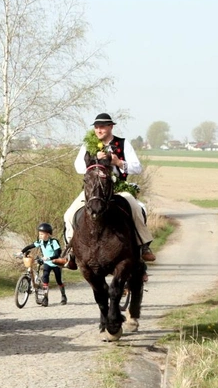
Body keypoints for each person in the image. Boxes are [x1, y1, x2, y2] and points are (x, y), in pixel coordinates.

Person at [57, 113, 156, 270]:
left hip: (118, 188)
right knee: (69, 214)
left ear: (111, 127)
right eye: (96, 127)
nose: (99, 130)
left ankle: (143, 246)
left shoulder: (123, 144)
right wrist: (95, 159)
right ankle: (71, 254)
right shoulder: (88, 145)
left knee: (136, 208)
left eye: (102, 126)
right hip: (95, 189)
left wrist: (119, 162)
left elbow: (137, 167)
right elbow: (78, 167)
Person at [21, 222, 67, 306]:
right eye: (39, 234)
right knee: (45, 279)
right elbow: (30, 246)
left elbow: (57, 254)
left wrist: (49, 258)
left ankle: (63, 296)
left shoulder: (54, 242)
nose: (40, 236)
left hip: (55, 263)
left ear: (48, 234)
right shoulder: (40, 242)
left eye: (42, 234)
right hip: (47, 264)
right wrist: (21, 252)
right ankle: (45, 298)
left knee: (59, 280)